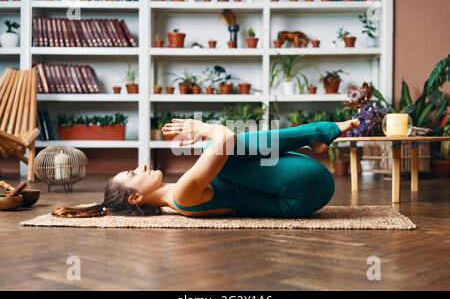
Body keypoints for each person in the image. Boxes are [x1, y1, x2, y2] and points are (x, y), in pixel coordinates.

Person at [52, 118, 360, 219]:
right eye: (133, 174)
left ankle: (318, 138)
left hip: (301, 184)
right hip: (304, 190)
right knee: (224, 146)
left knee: (222, 151)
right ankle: (321, 132)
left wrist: (210, 138)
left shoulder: (177, 201)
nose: (141, 166)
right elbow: (226, 137)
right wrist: (202, 128)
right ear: (135, 199)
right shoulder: (183, 195)